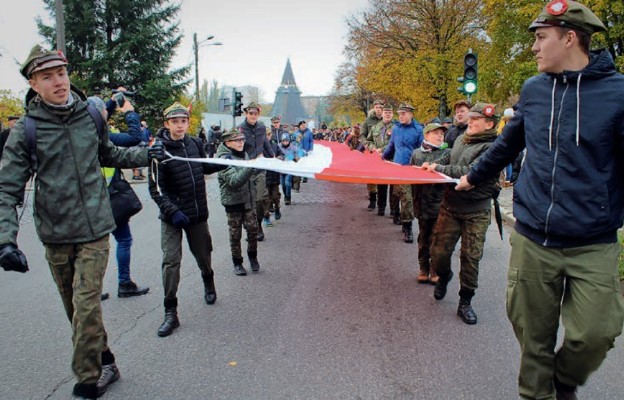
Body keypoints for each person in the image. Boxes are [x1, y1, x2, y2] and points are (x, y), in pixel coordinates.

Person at [456, 2, 624, 398]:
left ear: (569, 38)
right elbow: (505, 147)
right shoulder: (533, 91)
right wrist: (472, 176)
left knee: (595, 334)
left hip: (592, 240)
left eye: (540, 38)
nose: (533, 47)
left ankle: (563, 381)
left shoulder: (617, 94)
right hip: (533, 237)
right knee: (533, 338)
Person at [0, 45, 164, 399]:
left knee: (87, 304)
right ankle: (106, 359)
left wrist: (145, 153)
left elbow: (110, 154)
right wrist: (6, 240)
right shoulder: (27, 129)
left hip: (94, 230)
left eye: (61, 73)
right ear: (33, 82)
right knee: (76, 310)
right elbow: (7, 188)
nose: (58, 82)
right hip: (55, 234)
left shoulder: (90, 115)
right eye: (48, 77)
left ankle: (87, 380)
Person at [148, 102, 223, 338]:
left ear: (188, 123)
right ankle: (171, 312)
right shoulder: (159, 150)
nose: (180, 126)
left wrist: (229, 160)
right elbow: (156, 189)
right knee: (171, 262)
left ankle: (208, 280)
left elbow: (203, 167)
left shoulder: (195, 143)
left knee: (203, 255)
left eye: (183, 121)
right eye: (175, 122)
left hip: (197, 213)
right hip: (173, 217)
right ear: (167, 124)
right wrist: (173, 211)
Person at [422, 103, 500, 326]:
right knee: (438, 252)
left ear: (489, 124)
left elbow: (470, 172)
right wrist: (435, 163)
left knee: (470, 257)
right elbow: (450, 159)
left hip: (476, 210)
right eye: (471, 118)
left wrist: (438, 169)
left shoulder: (493, 147)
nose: (471, 122)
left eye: (476, 119)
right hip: (450, 206)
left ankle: (465, 301)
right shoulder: (461, 139)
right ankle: (444, 276)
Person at [92, 92, 150, 298]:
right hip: (109, 198)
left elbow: (97, 112)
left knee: (90, 247)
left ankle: (90, 289)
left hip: (88, 202)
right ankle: (124, 283)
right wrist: (130, 112)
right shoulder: (104, 137)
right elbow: (136, 138)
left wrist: (113, 101)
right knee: (123, 240)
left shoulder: (78, 134)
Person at [217, 128, 262, 276]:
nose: (241, 143)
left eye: (242, 140)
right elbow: (234, 181)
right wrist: (251, 166)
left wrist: (260, 167)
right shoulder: (223, 160)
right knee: (235, 236)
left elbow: (249, 175)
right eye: (237, 140)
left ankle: (253, 257)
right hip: (234, 203)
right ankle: (237, 262)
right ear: (227, 142)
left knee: (253, 230)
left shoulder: (244, 154)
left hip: (248, 200)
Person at [410, 123, 450, 284]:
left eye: (442, 134)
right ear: (426, 135)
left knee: (437, 239)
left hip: (441, 202)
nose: (440, 136)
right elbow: (410, 177)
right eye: (436, 133)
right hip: (422, 202)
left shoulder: (448, 153)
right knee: (424, 237)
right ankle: (423, 267)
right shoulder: (416, 154)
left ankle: (434, 269)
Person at [382, 103, 424, 243]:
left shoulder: (419, 130)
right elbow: (391, 146)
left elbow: (421, 149)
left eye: (404, 114)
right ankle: (402, 220)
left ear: (411, 114)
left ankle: (406, 223)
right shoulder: (396, 129)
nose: (401, 116)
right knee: (400, 195)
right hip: (398, 167)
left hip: (412, 168)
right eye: (399, 114)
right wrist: (382, 158)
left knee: (410, 198)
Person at [237, 102, 274, 241]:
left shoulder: (261, 127)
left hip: (259, 170)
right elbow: (235, 148)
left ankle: (258, 225)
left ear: (258, 114)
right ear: (246, 113)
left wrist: (275, 158)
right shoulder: (240, 129)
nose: (253, 116)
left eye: (255, 113)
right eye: (250, 113)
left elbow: (265, 144)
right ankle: (251, 229)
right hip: (246, 170)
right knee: (247, 202)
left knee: (260, 200)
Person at [366, 105, 394, 216]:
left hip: (392, 159)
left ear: (392, 115)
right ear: (381, 114)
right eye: (385, 112)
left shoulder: (396, 128)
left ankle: (394, 210)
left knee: (394, 186)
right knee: (381, 184)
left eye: (390, 112)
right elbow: (369, 141)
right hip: (380, 160)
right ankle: (381, 207)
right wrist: (373, 148)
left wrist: (382, 149)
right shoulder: (375, 128)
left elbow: (395, 143)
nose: (387, 114)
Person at [361, 100, 384, 210]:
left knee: (383, 176)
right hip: (371, 151)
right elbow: (362, 135)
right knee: (371, 177)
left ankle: (382, 202)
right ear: (373, 108)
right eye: (376, 107)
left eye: (380, 107)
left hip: (384, 151)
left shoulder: (387, 120)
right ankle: (372, 199)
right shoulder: (368, 120)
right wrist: (366, 144)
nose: (378, 109)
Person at [278, 133, 302, 205]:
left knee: (287, 182)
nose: (285, 142)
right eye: (283, 141)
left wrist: (295, 159)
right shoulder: (278, 146)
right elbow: (275, 153)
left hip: (289, 168)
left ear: (289, 141)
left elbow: (299, 153)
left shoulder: (293, 147)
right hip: (281, 169)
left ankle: (288, 197)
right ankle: (285, 195)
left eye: (286, 141)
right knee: (283, 184)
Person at [265, 127, 284, 221]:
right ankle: (267, 214)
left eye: (268, 135)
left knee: (276, 196)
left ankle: (277, 208)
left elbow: (281, 154)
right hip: (264, 176)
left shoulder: (275, 145)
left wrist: (280, 157)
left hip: (274, 175)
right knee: (266, 198)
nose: (267, 137)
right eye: (265, 135)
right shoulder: (260, 146)